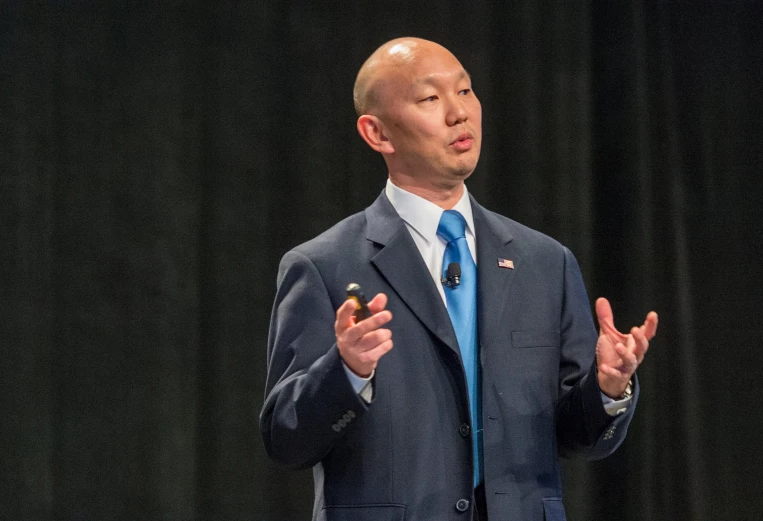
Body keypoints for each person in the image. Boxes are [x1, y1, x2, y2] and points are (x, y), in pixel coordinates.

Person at [260, 37, 658, 521]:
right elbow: (286, 440)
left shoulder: (544, 262)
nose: (459, 114)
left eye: (466, 91)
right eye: (431, 99)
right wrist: (345, 371)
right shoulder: (324, 266)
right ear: (377, 133)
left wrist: (609, 388)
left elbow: (579, 438)